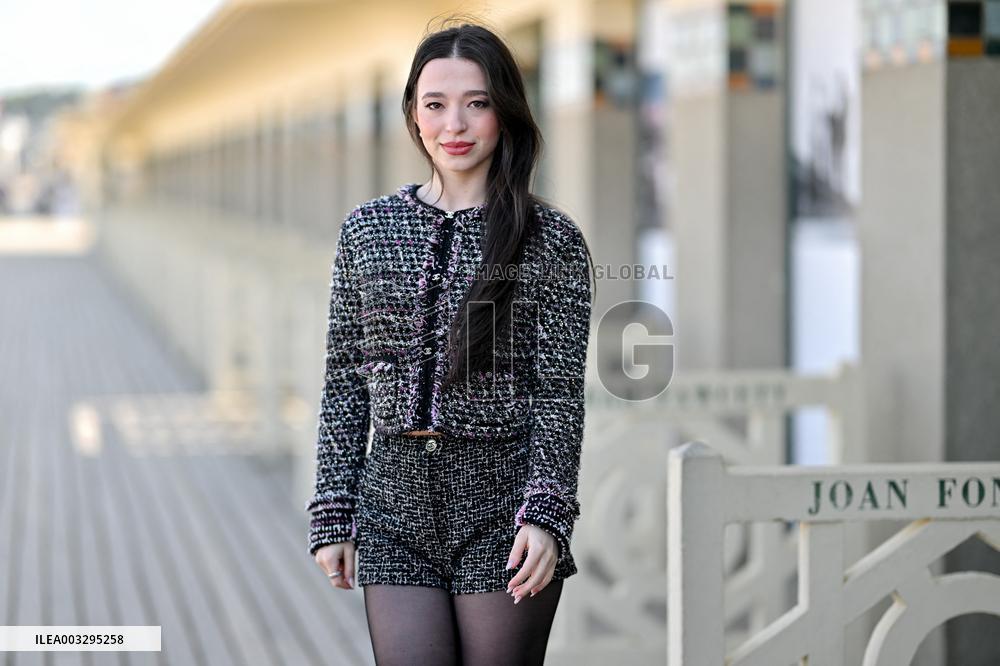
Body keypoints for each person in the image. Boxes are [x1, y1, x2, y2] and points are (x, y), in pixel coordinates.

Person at [304, 19, 595, 665]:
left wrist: (546, 514)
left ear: (506, 112)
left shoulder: (551, 239)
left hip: (502, 505)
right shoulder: (368, 231)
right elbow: (346, 378)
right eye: (435, 105)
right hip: (392, 505)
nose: (454, 124)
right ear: (413, 114)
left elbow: (558, 394)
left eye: (477, 103)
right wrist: (333, 508)